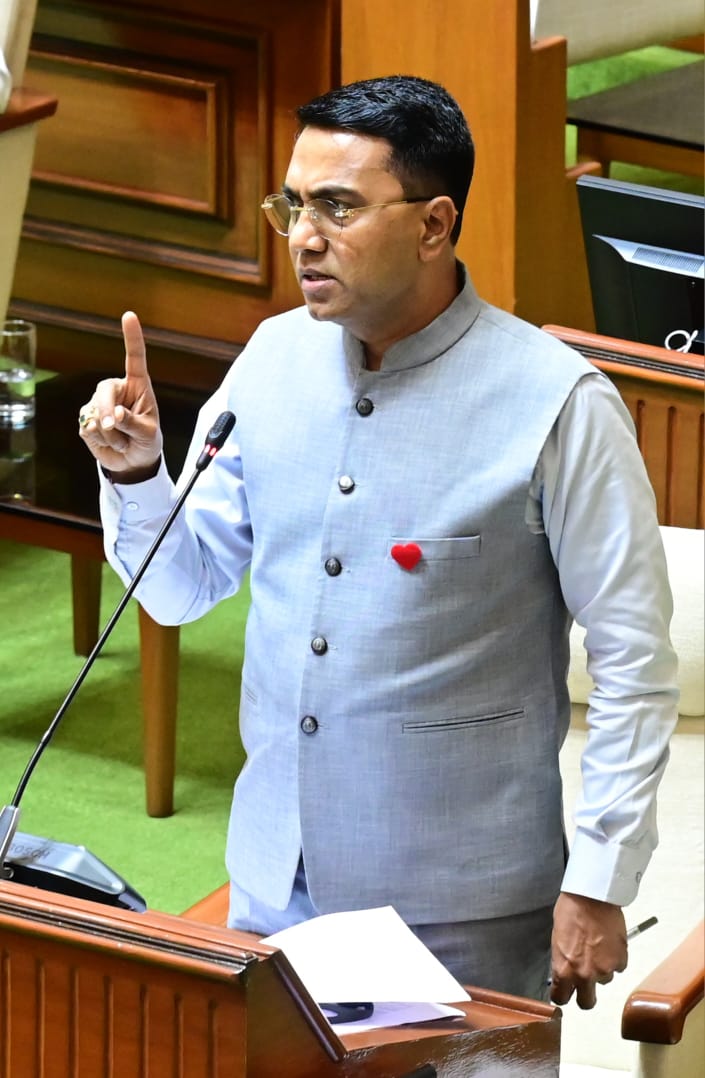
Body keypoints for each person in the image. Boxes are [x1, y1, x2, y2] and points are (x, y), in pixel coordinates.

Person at [78, 75, 678, 1008]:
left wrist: (598, 880)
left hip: (462, 906)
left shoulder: (558, 404)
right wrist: (136, 473)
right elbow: (177, 590)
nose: (303, 236)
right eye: (292, 206)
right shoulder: (271, 358)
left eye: (338, 206)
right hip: (274, 882)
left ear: (434, 225)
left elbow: (634, 662)